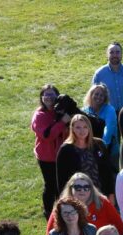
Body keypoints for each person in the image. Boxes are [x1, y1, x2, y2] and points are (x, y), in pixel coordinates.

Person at [57, 113, 117, 196]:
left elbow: (108, 171)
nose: (82, 131)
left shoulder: (99, 144)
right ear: (72, 129)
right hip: (78, 197)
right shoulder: (65, 150)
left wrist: (111, 193)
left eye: (85, 127)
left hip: (101, 195)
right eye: (78, 127)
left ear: (89, 128)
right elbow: (61, 179)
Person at [33, 85, 70, 216]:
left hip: (61, 155)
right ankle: (48, 211)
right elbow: (47, 136)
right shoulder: (39, 116)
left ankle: (62, 209)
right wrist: (62, 123)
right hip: (46, 157)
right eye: (46, 95)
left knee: (63, 184)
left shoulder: (60, 111)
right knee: (51, 185)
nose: (49, 98)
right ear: (42, 98)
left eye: (52, 95)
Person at [93, 42, 123, 113]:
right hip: (108, 114)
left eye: (117, 52)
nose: (115, 55)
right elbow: (93, 97)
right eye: (111, 52)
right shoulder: (99, 74)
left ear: (122, 54)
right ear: (107, 54)